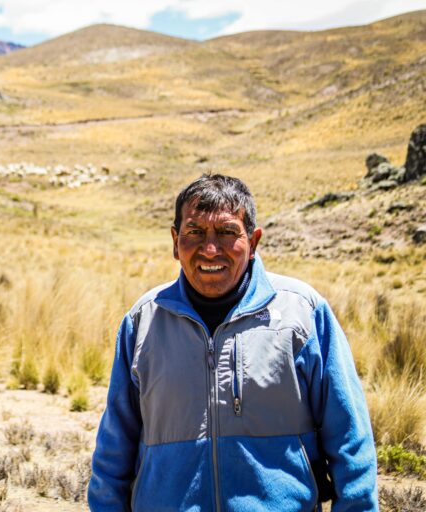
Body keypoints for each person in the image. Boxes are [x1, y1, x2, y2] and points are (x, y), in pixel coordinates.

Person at [88, 174, 377, 511]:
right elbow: (114, 448)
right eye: (195, 232)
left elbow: (350, 439)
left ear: (253, 242)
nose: (210, 249)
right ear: (175, 242)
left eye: (227, 232)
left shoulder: (302, 314)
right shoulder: (143, 321)